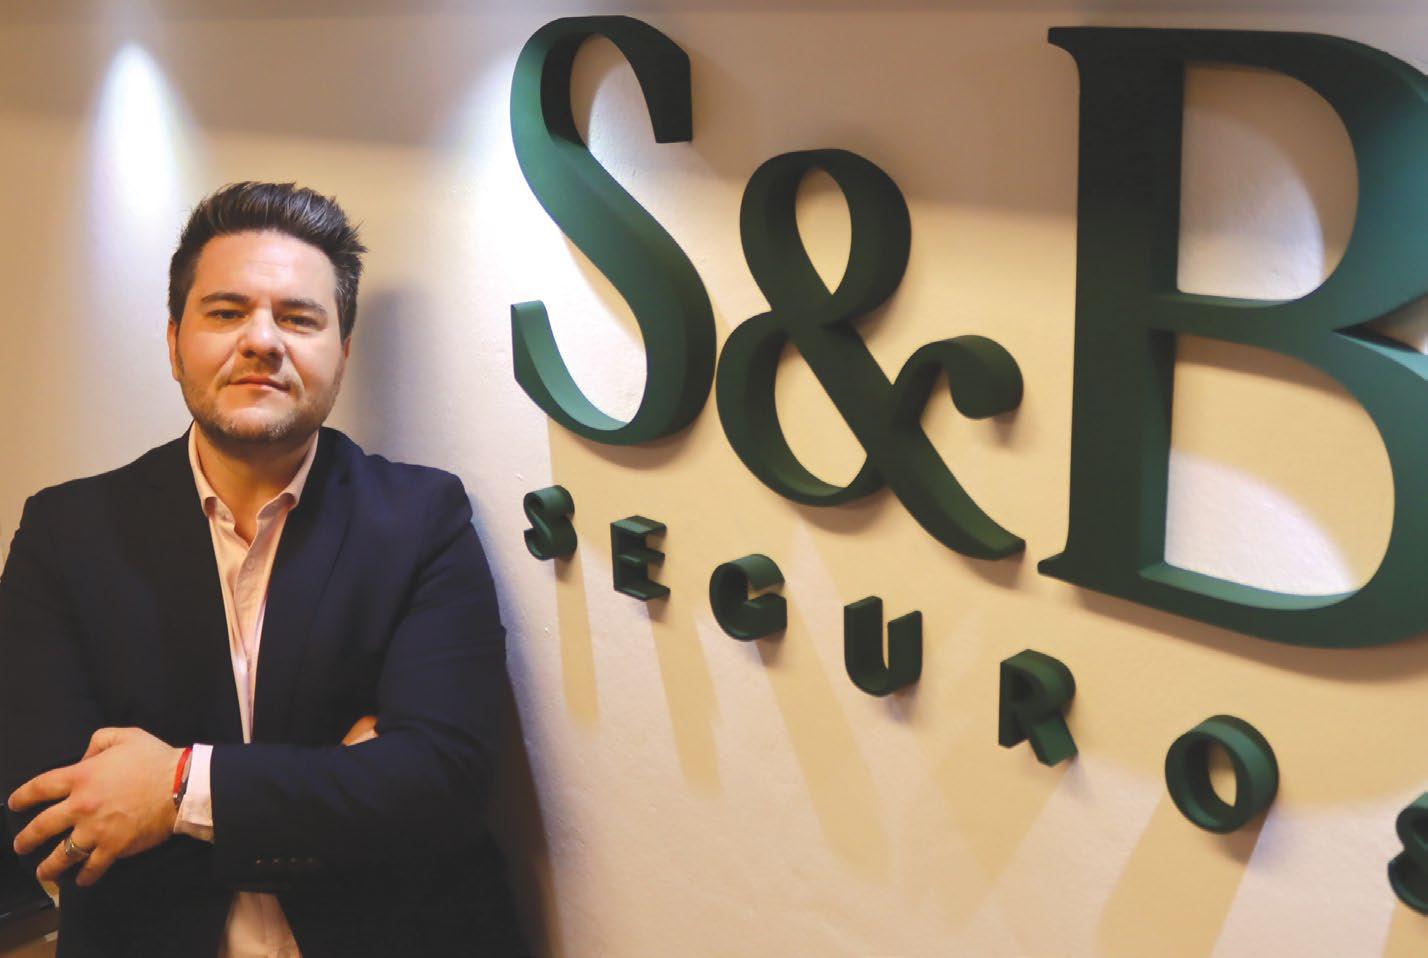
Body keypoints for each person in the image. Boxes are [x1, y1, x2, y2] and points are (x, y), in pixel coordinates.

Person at [0, 182, 525, 957]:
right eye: (226, 312)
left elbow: (442, 786)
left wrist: (173, 788)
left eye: (300, 318)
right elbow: (43, 813)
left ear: (343, 352)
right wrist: (342, 779)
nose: (262, 340)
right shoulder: (67, 532)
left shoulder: (421, 519)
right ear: (174, 342)